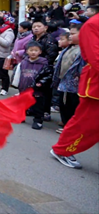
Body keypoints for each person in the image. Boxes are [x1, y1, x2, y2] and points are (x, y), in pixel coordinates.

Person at [50, 10, 99, 169]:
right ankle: (62, 150)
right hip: (95, 85)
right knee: (86, 122)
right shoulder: (93, 24)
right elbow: (95, 58)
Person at [52, 25, 84, 134]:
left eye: (73, 34)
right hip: (63, 81)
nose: (70, 36)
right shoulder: (69, 48)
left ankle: (70, 127)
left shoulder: (83, 50)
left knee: (72, 105)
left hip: (75, 84)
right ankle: (67, 124)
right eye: (70, 33)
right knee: (64, 104)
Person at [15, 42, 52, 129]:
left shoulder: (43, 63)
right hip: (24, 87)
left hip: (37, 89)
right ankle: (21, 117)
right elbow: (18, 73)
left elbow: (48, 74)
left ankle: (38, 120)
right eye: (31, 50)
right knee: (23, 104)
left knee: (37, 106)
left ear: (40, 52)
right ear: (27, 51)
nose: (33, 52)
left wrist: (41, 82)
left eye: (36, 50)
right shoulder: (24, 62)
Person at [0, 17, 14, 96]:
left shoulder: (9, 32)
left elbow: (7, 43)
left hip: (2, 56)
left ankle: (4, 88)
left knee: (3, 74)